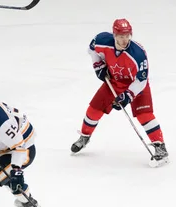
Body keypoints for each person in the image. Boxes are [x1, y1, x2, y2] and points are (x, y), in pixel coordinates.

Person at [71, 18, 169, 166]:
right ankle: (84, 137)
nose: (124, 40)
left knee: (144, 114)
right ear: (114, 35)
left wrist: (127, 96)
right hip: (114, 81)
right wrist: (98, 65)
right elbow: (92, 50)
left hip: (136, 84)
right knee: (94, 109)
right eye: (121, 36)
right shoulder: (102, 40)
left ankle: (160, 147)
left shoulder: (138, 53)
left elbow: (141, 80)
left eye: (127, 36)